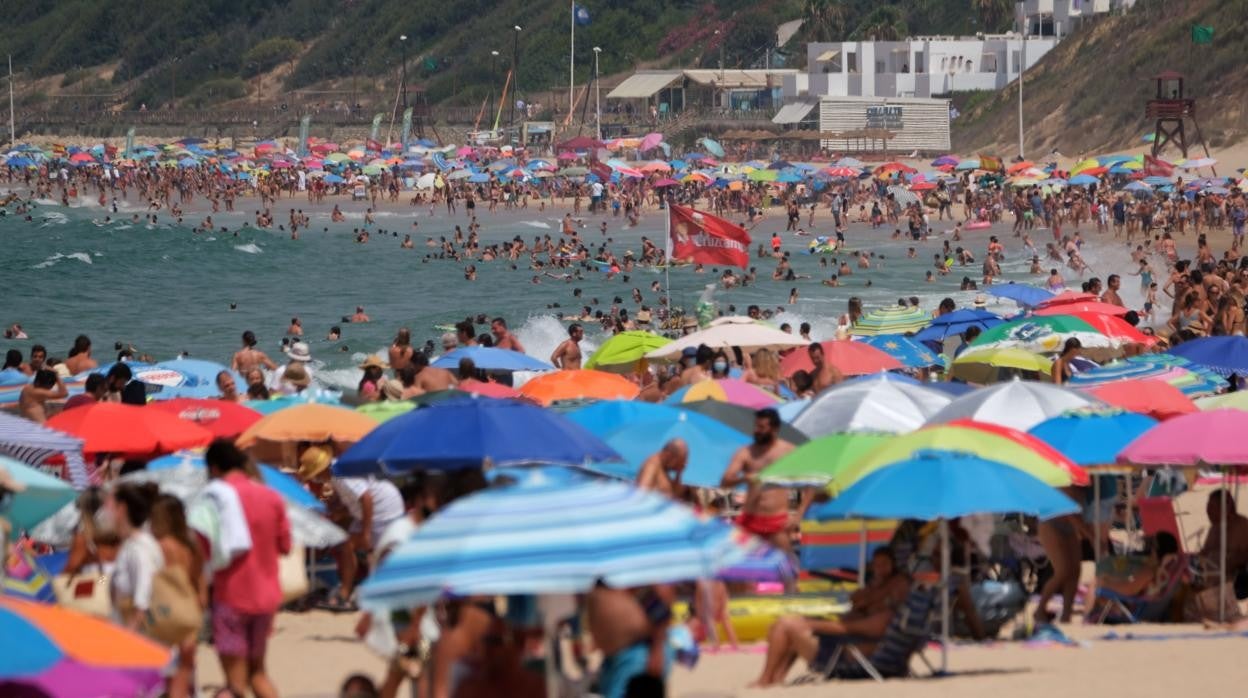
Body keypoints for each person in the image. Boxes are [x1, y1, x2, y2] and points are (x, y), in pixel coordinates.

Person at [205, 439, 291, 698]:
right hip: (266, 597)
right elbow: (285, 547)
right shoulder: (271, 496)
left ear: (214, 468)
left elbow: (203, 550)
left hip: (230, 596)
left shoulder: (215, 498)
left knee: (234, 685)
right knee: (259, 673)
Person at [752, 547, 909, 686]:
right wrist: (873, 593)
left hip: (845, 655)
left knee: (786, 624)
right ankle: (776, 677)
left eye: (884, 565)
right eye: (876, 566)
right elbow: (854, 599)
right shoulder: (878, 603)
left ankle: (765, 679)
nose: (880, 570)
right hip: (843, 647)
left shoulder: (887, 616)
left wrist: (811, 624)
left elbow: (848, 628)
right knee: (784, 625)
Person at [298, 446, 404, 611]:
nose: (316, 478)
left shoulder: (341, 474)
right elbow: (353, 501)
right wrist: (336, 512)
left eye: (315, 474)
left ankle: (346, 592)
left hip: (382, 509)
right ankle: (349, 591)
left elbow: (366, 498)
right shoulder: (336, 474)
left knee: (353, 546)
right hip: (372, 510)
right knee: (352, 547)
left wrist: (366, 533)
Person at [150, 494, 207, 698]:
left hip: (164, 613)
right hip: (188, 610)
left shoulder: (157, 547)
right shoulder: (191, 546)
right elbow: (200, 585)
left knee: (169, 674)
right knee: (186, 670)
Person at [720, 409, 796, 555]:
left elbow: (812, 482)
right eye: (756, 426)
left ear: (774, 429)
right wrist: (743, 478)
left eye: (761, 427)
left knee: (787, 568)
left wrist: (798, 514)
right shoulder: (746, 452)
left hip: (776, 520)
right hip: (750, 519)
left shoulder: (788, 451)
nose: (756, 431)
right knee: (738, 567)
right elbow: (725, 481)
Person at [587, 583, 675, 698]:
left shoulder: (631, 578)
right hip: (621, 656)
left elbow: (661, 614)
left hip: (639, 655)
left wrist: (656, 650)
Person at [107, 482, 164, 629]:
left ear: (122, 509)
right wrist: (98, 579)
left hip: (138, 641)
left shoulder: (139, 549)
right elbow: (109, 578)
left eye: (109, 505)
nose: (105, 512)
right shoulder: (128, 545)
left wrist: (126, 642)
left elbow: (142, 604)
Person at [1035, 487, 1092, 624]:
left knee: (1075, 571)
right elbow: (1069, 513)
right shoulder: (1062, 480)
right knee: (1063, 570)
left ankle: (1066, 614)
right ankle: (1040, 609)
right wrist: (1091, 536)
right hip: (1050, 523)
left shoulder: (1082, 480)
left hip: (1069, 525)